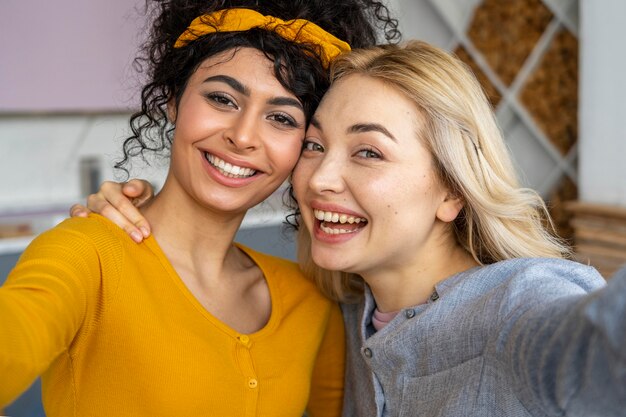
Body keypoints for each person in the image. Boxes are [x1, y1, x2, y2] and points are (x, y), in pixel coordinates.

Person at [78, 41, 626, 416]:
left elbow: (599, 354)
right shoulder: (340, 314)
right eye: (314, 146)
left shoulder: (518, 305)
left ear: (452, 190)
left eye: (368, 152)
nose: (320, 180)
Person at [0, 1, 401, 415]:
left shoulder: (310, 300)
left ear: (306, 145)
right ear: (174, 100)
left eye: (281, 118)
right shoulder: (89, 253)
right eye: (222, 99)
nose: (243, 137)